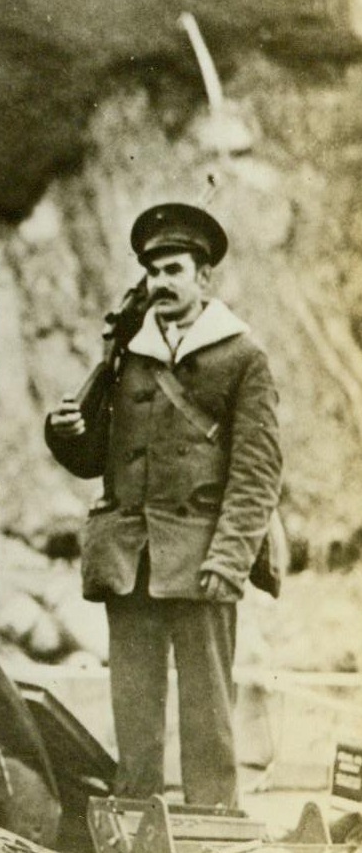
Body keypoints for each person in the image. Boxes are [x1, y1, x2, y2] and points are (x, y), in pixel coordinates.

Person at [44, 202, 281, 807]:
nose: (161, 284)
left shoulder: (242, 357)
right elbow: (98, 458)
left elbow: (257, 474)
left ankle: (214, 824)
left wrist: (229, 560)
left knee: (209, 714)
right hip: (130, 558)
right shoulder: (128, 352)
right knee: (134, 713)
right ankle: (133, 825)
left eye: (174, 270)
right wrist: (65, 432)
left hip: (203, 559)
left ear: (205, 278)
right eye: (153, 272)